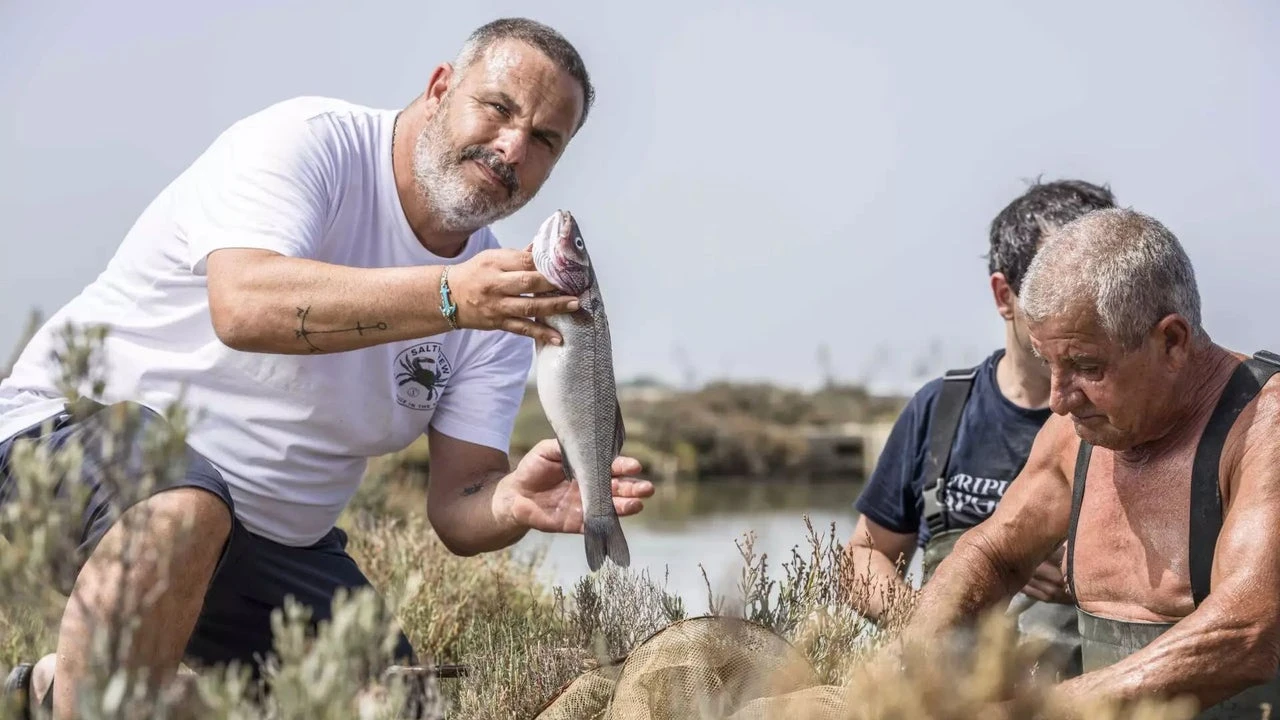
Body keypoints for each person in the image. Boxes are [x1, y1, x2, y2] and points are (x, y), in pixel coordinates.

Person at [0, 17, 653, 718]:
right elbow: (244, 307)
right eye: (498, 108)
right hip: (61, 443)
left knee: (396, 703)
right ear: (440, 88)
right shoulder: (309, 143)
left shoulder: (495, 300)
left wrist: (512, 501)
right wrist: (448, 298)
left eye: (545, 140)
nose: (512, 146)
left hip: (262, 543)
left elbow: (459, 506)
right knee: (184, 511)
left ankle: (50, 691)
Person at [884, 207, 1280, 718]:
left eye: (1086, 367)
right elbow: (991, 554)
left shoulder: (1262, 429)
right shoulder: (1077, 434)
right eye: (1048, 363)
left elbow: (1248, 634)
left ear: (1173, 342)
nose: (1058, 399)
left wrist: (1033, 712)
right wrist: (905, 665)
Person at [843, 179, 1118, 676]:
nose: (1080, 304)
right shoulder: (940, 409)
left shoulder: (1135, 420)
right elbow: (863, 556)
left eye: (1096, 283)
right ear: (1004, 295)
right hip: (948, 696)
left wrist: (1099, 582)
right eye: (1053, 286)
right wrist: (924, 620)